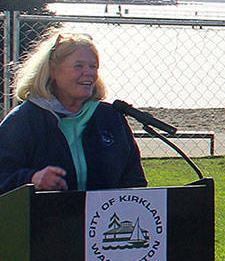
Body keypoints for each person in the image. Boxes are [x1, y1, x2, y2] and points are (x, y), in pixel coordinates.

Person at [0, 30, 145, 194]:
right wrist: (32, 179)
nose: (89, 72)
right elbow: (3, 177)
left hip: (107, 217)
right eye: (79, 66)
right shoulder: (22, 120)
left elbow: (134, 180)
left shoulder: (110, 117)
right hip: (43, 217)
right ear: (52, 70)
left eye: (93, 66)